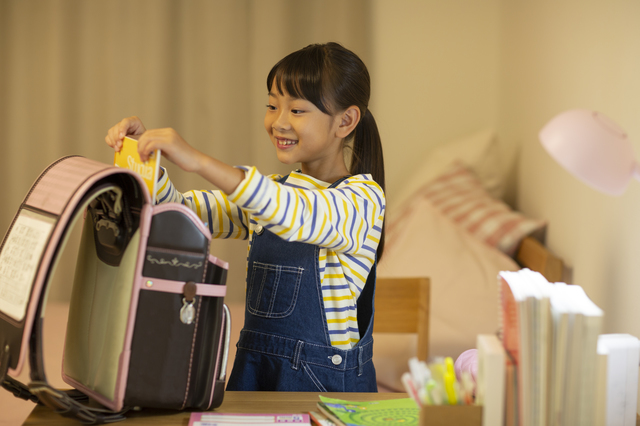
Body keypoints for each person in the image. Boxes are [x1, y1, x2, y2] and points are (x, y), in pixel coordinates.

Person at [105, 42, 385, 392]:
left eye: (296, 110)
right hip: (255, 372)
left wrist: (198, 160)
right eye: (271, 106)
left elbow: (294, 213)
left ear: (345, 121)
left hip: (323, 390)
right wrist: (148, 161)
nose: (278, 122)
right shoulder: (270, 192)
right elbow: (179, 214)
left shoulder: (362, 200)